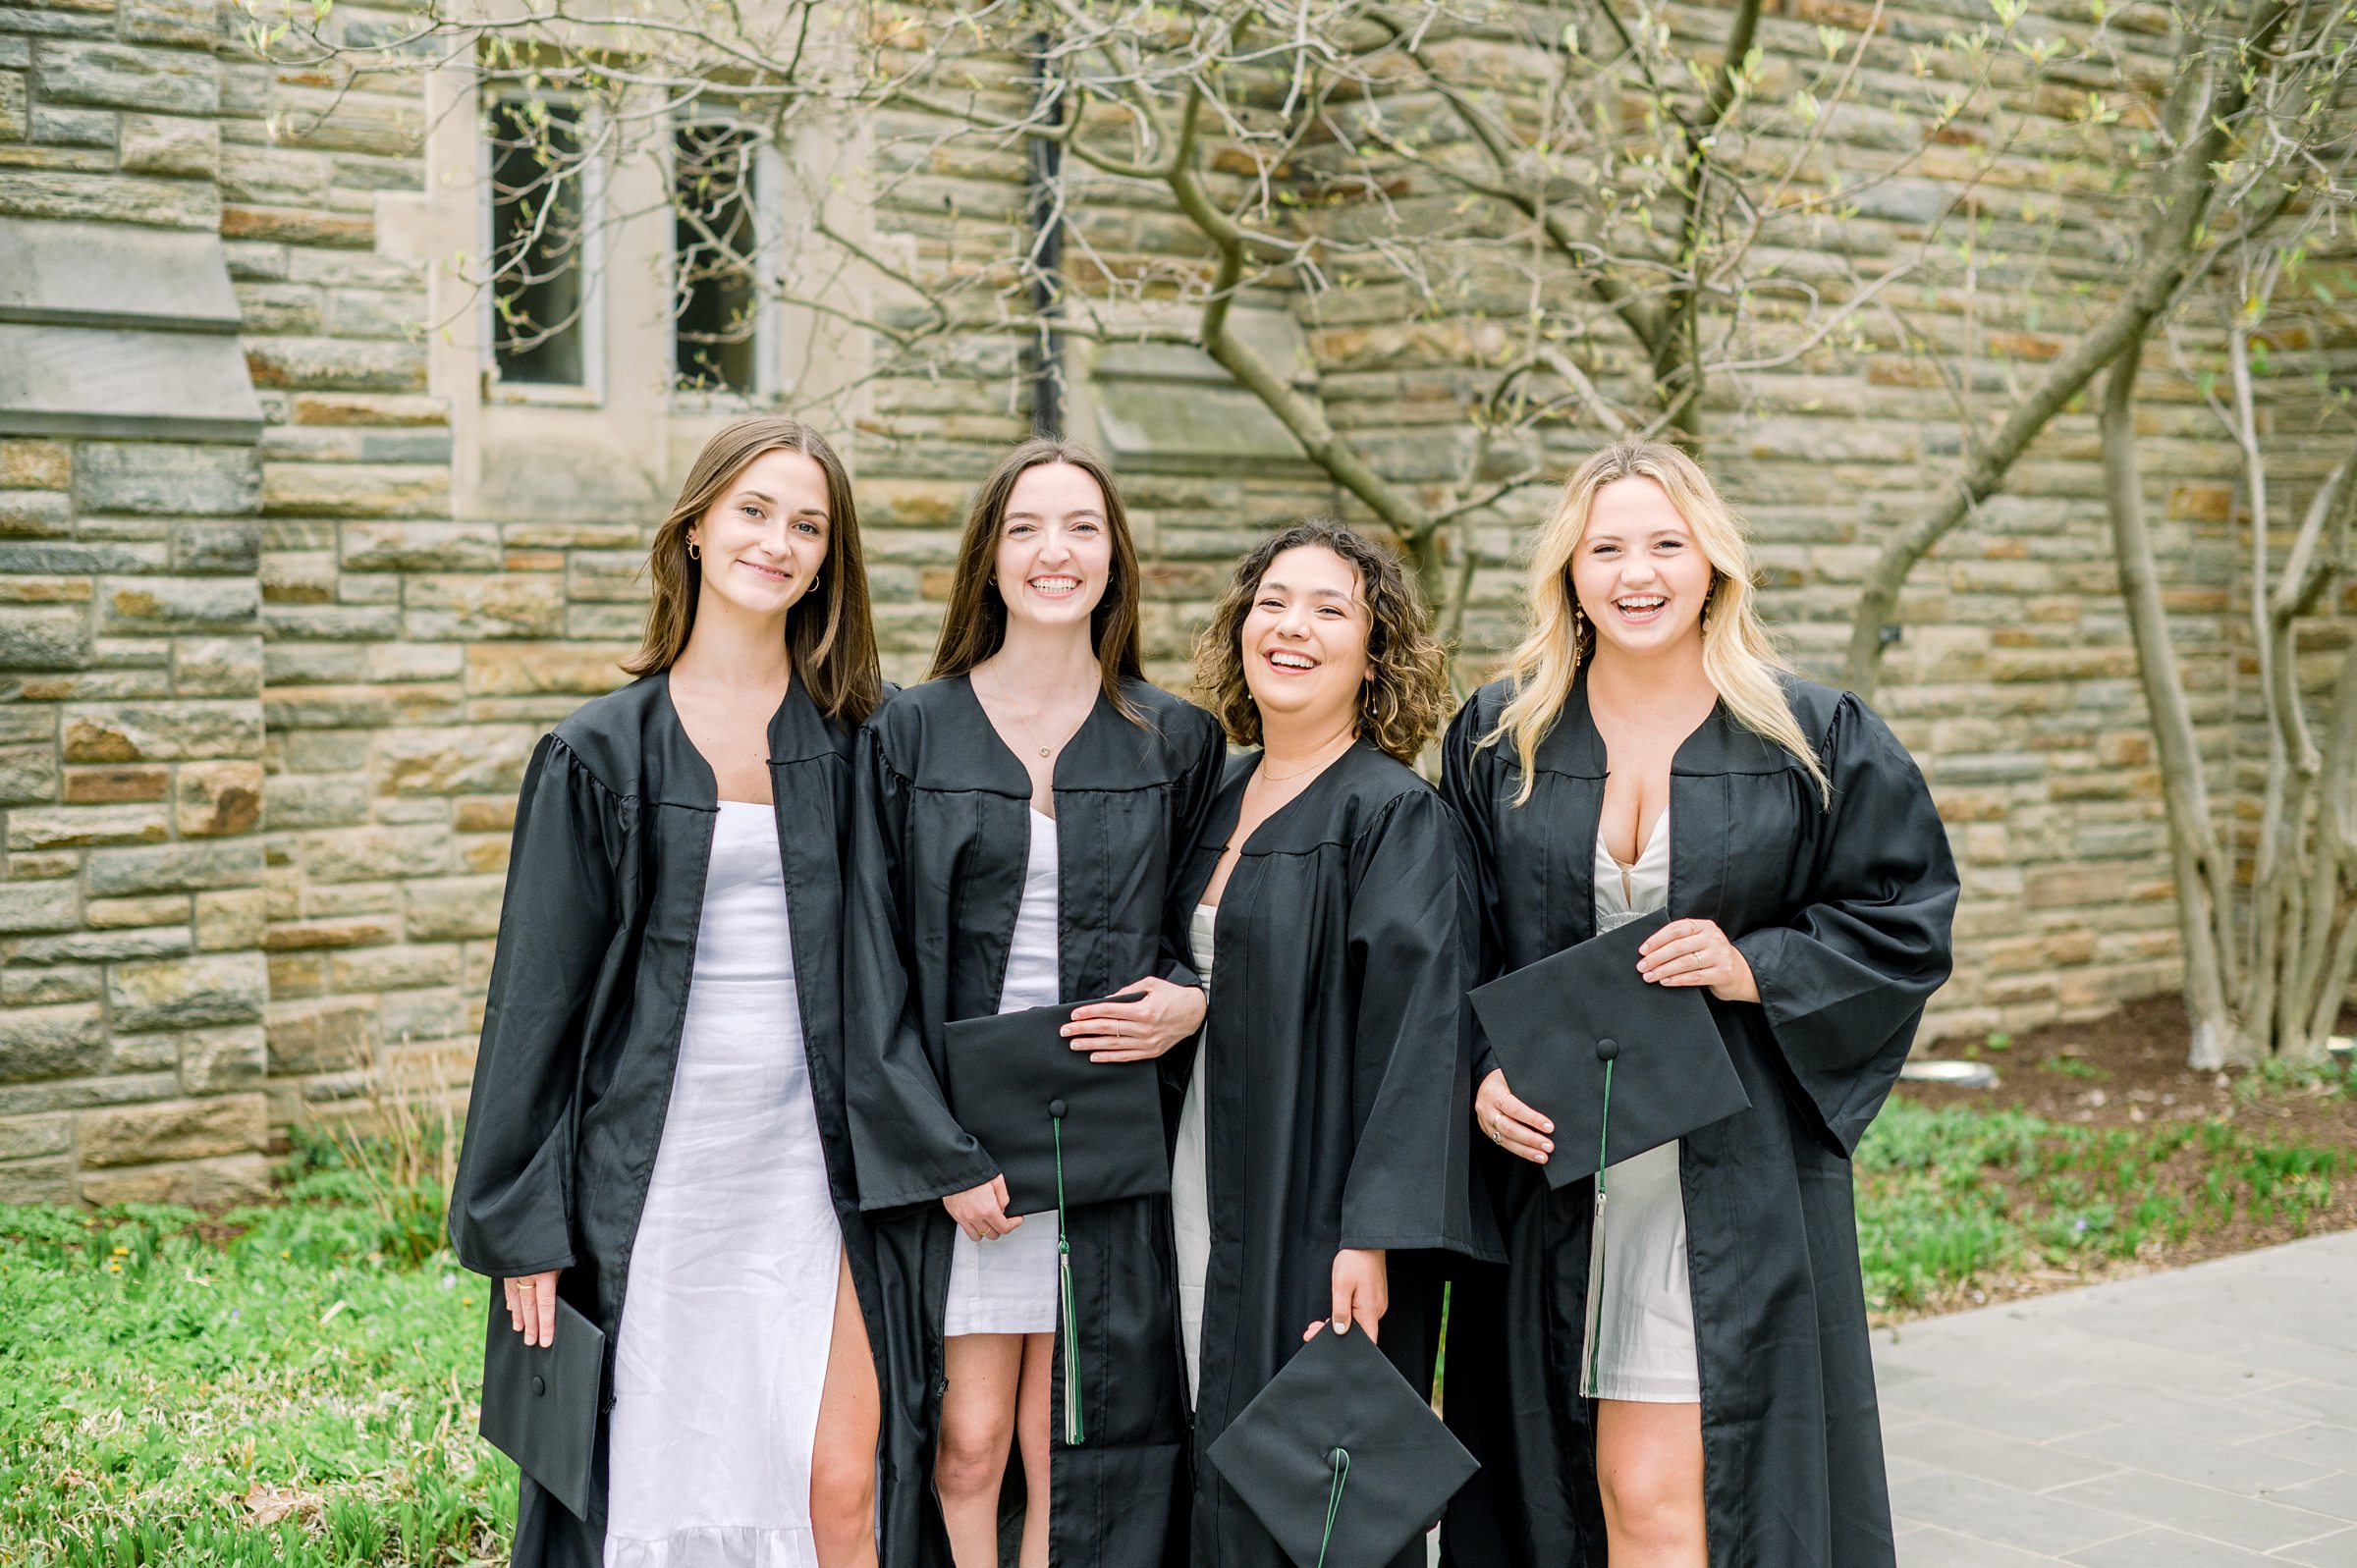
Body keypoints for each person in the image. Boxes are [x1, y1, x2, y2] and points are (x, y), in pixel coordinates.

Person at [1437, 440, 1960, 1568]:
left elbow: (1904, 913)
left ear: (1713, 563)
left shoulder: (1807, 738)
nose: (1638, 572)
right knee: (1584, 1490)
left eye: (1666, 543)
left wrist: (1756, 963)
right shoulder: (1500, 738)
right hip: (1556, 1174)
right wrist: (1481, 1071)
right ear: (1568, 571)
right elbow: (1452, 939)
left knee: (1663, 1495)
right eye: (1607, 545)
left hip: (1724, 1170)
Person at [449, 417, 894, 1568]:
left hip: (815, 1165)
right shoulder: (601, 752)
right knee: (651, 1471)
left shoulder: (859, 749)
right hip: (651, 1173)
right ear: (695, 528)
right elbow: (533, 1005)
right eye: (754, 510)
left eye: (809, 523)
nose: (778, 541)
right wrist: (522, 1225)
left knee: (826, 1476)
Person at [844, 439, 1226, 1568]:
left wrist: (1192, 1001)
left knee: (1072, 1438)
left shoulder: (1177, 739)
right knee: (966, 1438)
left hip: (1105, 1136)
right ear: (989, 558)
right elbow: (868, 961)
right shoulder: (909, 732)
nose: (1054, 552)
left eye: (1082, 528)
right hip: (958, 1139)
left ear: (1115, 558)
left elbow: (1212, 927)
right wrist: (939, 1152)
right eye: (1025, 528)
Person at [1171, 520, 1500, 1568]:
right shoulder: (1211, 794)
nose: (1292, 627)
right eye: (1272, 601)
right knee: (1203, 1429)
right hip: (1194, 1173)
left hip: (1316, 1200)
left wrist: (1373, 1233)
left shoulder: (1393, 814)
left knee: (1309, 1485)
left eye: (1328, 608)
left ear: (1375, 649)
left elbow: (1421, 1034)